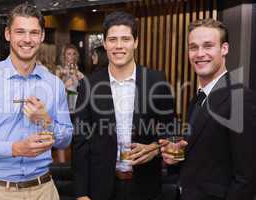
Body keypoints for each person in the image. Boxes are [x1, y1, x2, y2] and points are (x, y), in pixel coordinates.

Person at [0, 3, 73, 200]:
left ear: (42, 36)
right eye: (20, 32)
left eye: (34, 33)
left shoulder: (54, 84)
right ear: (8, 34)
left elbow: (66, 140)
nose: (27, 40)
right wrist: (14, 149)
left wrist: (46, 120)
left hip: (44, 189)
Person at [73, 11, 174, 200]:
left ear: (135, 42)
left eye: (125, 39)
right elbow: (80, 143)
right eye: (112, 39)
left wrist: (154, 149)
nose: (119, 46)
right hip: (101, 189)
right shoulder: (88, 85)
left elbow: (169, 132)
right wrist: (81, 194)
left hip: (146, 188)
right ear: (104, 43)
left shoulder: (156, 80)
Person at [160, 19, 256, 200]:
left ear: (224, 49)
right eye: (193, 47)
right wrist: (175, 159)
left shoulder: (241, 98)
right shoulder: (196, 99)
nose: (199, 53)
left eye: (208, 46)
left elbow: (246, 179)